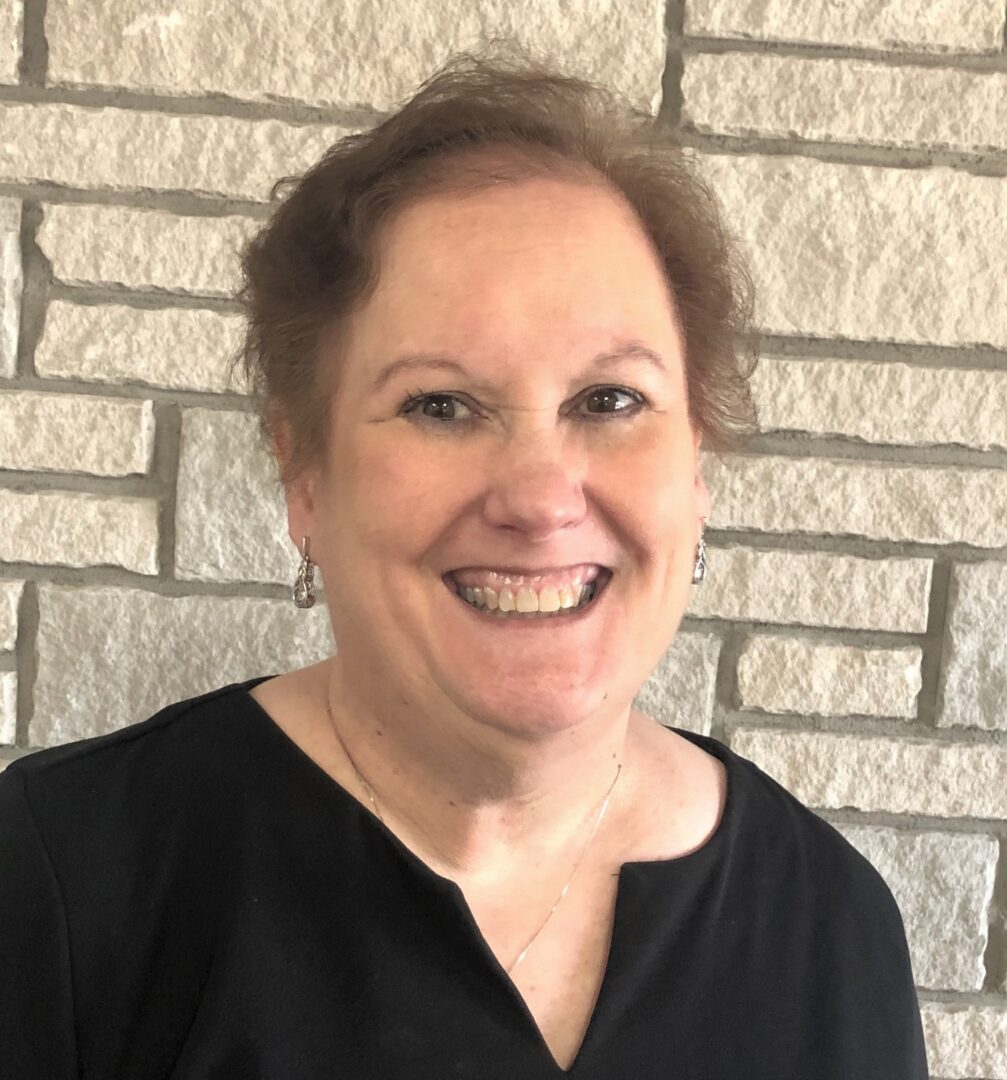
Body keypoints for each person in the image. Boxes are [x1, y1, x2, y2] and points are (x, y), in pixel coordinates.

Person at [0, 48, 928, 1079]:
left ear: (696, 459)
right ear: (303, 470)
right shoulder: (63, 884)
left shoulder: (827, 928)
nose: (538, 499)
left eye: (608, 401)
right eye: (441, 406)